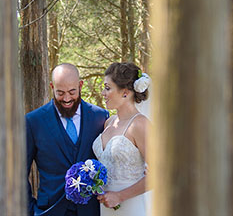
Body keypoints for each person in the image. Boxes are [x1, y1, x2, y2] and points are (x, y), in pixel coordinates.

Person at [26, 64, 109, 216]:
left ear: (80, 85)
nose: (66, 99)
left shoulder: (100, 116)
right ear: (52, 87)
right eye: (60, 93)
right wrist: (29, 210)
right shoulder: (34, 121)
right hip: (50, 210)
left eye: (72, 92)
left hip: (92, 210)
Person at [92, 62, 151, 216]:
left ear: (125, 92)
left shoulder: (140, 124)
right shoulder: (109, 122)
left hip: (131, 207)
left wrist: (120, 196)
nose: (103, 93)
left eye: (107, 88)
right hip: (105, 207)